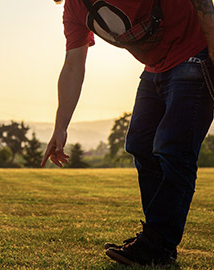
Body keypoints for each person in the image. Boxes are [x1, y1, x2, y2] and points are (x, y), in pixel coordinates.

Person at [41, 0, 214, 266]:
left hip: (194, 53)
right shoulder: (75, 8)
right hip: (156, 68)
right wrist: (60, 126)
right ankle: (159, 243)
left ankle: (156, 243)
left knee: (173, 150)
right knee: (140, 144)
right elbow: (73, 65)